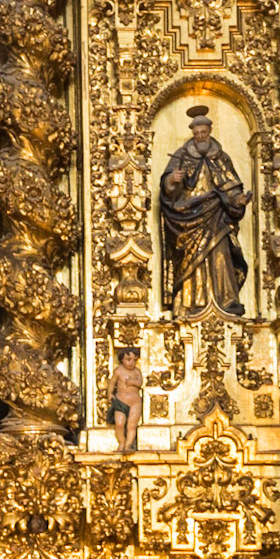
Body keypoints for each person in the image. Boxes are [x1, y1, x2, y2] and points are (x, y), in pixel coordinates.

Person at [158, 105, 250, 317]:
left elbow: (231, 185)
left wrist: (238, 199)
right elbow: (167, 186)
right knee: (191, 262)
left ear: (209, 131)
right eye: (196, 133)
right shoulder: (182, 155)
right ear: (193, 133)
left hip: (216, 214)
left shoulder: (221, 157)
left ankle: (225, 300)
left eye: (203, 132)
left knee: (221, 255)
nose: (200, 137)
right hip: (188, 217)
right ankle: (190, 303)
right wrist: (173, 179)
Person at [108, 348, 142, 452]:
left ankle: (128, 445)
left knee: (132, 425)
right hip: (121, 400)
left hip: (135, 401)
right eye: (128, 359)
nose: (131, 363)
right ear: (122, 359)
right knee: (119, 424)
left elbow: (140, 383)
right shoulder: (118, 371)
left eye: (134, 360)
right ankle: (122, 442)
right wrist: (109, 393)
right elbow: (112, 383)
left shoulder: (137, 371)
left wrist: (133, 382)